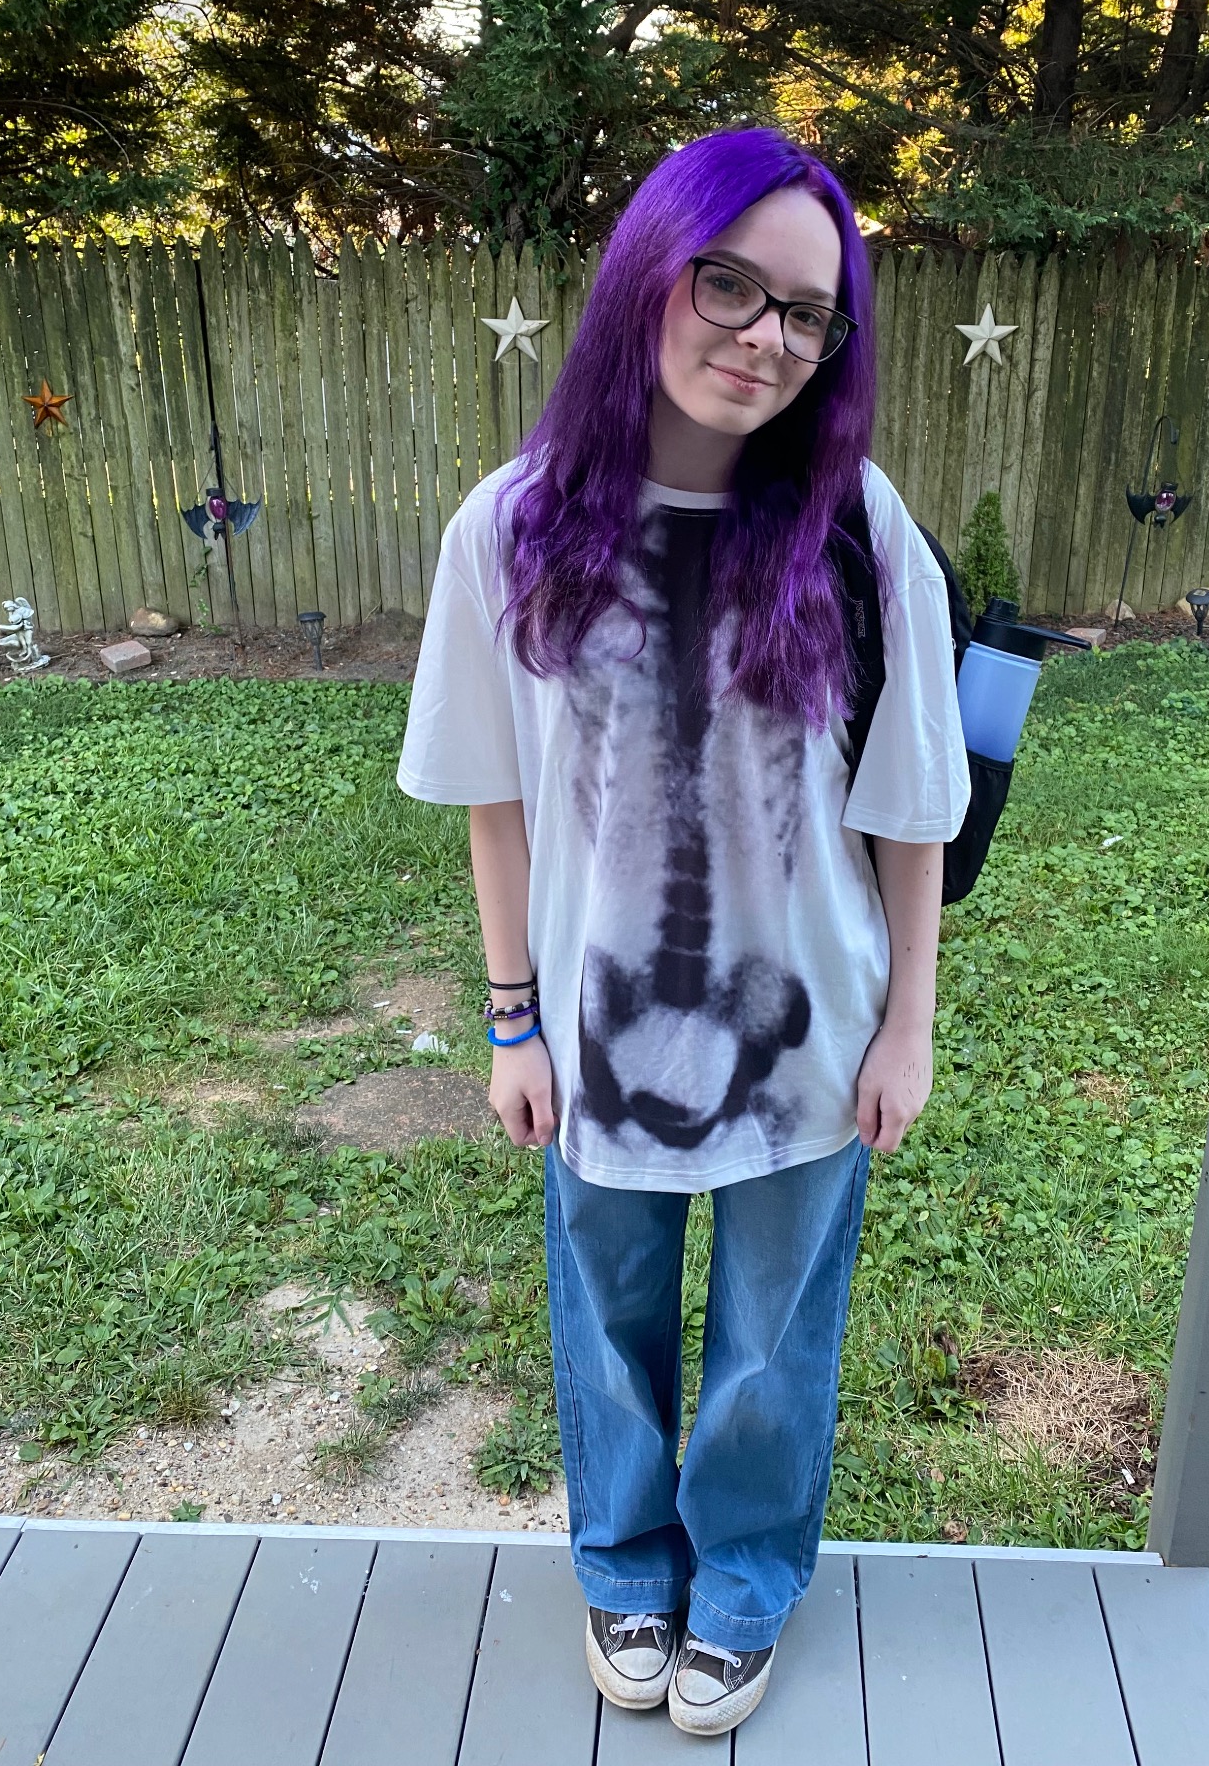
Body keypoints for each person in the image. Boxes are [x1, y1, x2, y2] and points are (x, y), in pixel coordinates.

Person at [397, 128, 968, 1736]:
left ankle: (746, 1581)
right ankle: (624, 1561)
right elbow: (493, 798)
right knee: (607, 1314)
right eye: (730, 284)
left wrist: (908, 1026)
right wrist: (511, 1019)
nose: (765, 336)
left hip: (812, 1022)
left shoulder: (855, 527)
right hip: (595, 1027)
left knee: (777, 1337)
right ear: (650, 272)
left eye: (808, 313)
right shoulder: (509, 526)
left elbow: (911, 807)